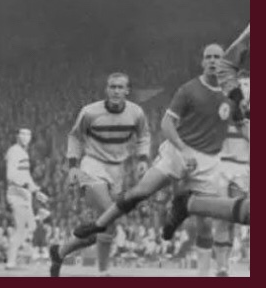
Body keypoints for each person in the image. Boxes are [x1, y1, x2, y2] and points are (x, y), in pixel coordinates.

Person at [73, 44, 236, 276]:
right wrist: (183, 150)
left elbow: (242, 123)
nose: (212, 61)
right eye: (208, 57)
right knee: (140, 192)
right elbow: (166, 124)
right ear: (202, 62)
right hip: (178, 152)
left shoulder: (231, 94)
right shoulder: (189, 90)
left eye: (217, 57)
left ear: (224, 62)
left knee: (205, 222)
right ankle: (100, 224)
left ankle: (205, 275)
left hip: (208, 162)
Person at [49, 72, 150, 277]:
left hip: (118, 170)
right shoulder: (90, 112)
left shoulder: (136, 113)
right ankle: (103, 273)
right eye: (112, 87)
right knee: (109, 215)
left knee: (104, 227)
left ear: (127, 91)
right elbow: (75, 137)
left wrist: (142, 159)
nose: (116, 91)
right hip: (92, 165)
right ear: (106, 89)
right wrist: (73, 166)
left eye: (120, 87)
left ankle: (60, 252)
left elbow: (144, 136)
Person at [213, 75, 249, 277]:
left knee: (237, 218)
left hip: (244, 169)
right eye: (241, 85)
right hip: (221, 166)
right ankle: (222, 267)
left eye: (248, 85)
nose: (244, 88)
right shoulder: (223, 110)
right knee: (222, 217)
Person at [4, 128, 49, 269]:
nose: (25, 136)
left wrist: (36, 191)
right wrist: (28, 188)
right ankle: (11, 261)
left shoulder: (24, 153)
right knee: (20, 228)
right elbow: (10, 175)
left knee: (31, 226)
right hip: (17, 193)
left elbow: (26, 176)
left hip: (25, 194)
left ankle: (16, 256)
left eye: (28, 134)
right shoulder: (14, 151)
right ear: (17, 136)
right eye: (22, 133)